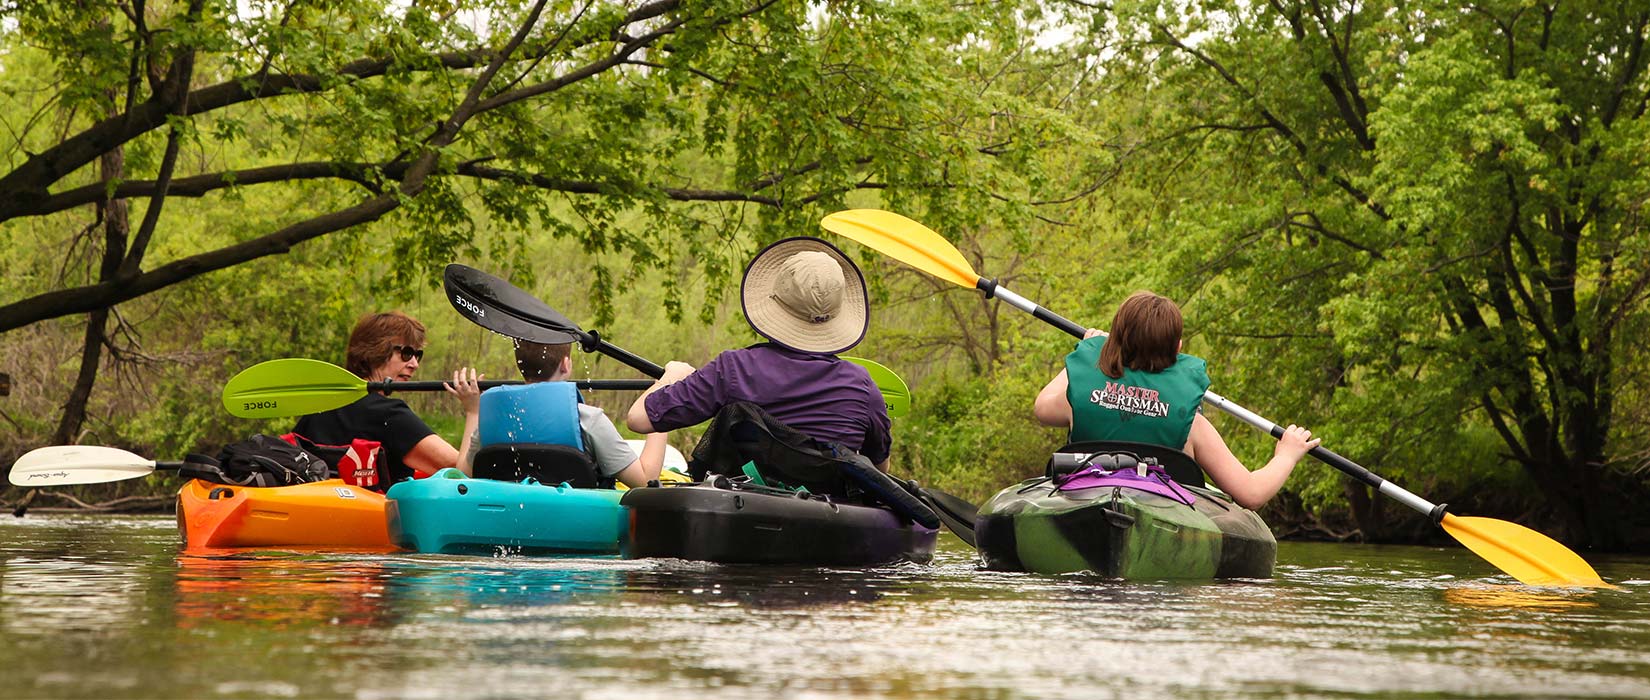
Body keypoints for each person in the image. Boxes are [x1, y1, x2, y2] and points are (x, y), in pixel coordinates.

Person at [1032, 291, 1320, 509]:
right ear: (1178, 348)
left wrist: (1087, 356)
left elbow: (1042, 407)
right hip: (1161, 511)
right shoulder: (1191, 424)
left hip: (1085, 500)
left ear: (1114, 342)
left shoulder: (1076, 401)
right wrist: (1286, 456)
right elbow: (1252, 494)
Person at [626, 236, 891, 471]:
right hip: (828, 522)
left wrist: (671, 377)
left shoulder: (734, 368)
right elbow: (880, 466)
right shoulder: (862, 385)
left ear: (775, 303)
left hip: (742, 518)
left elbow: (638, 419)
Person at [294, 311, 483, 482]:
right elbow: (463, 474)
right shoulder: (390, 415)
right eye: (406, 353)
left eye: (418, 355)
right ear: (375, 350)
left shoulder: (318, 409)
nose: (414, 364)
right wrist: (473, 410)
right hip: (380, 518)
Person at [460, 339, 669, 488]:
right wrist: (663, 406)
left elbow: (463, 475)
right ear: (566, 364)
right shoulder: (588, 420)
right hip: (578, 533)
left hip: (508, 534)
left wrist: (472, 411)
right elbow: (645, 481)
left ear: (520, 365)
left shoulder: (492, 420)